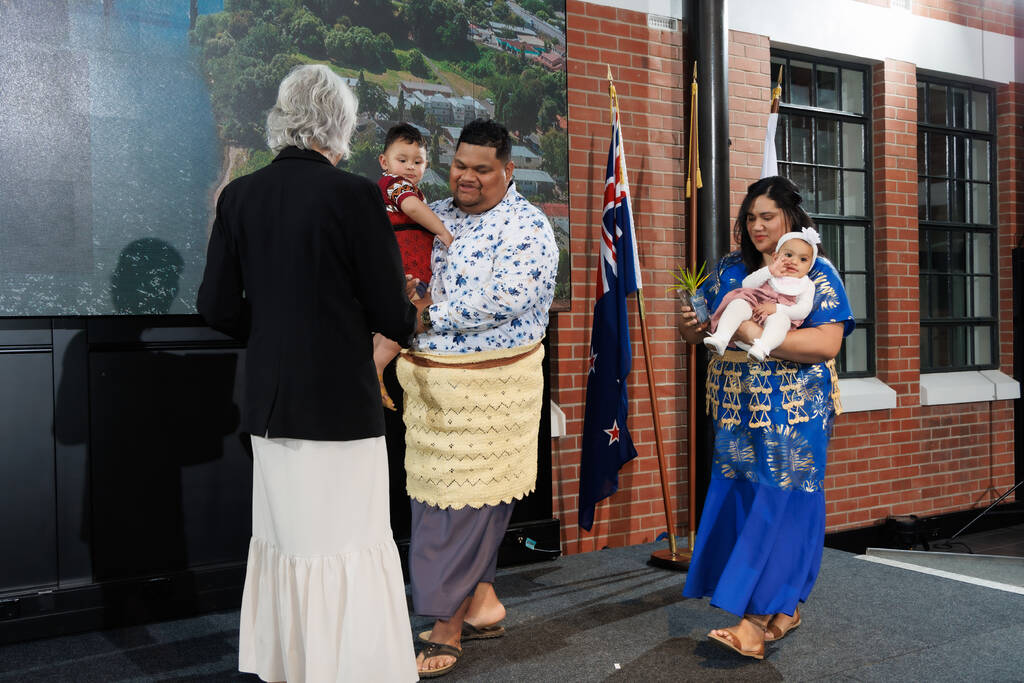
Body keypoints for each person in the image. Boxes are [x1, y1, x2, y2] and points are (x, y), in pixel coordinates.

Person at [196, 64, 420, 682]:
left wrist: (276, 332)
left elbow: (215, 306)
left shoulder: (239, 195)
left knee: (289, 545)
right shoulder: (355, 196)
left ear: (283, 118)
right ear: (339, 124)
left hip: (270, 407)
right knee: (347, 546)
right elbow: (390, 312)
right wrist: (406, 309)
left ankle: (293, 665)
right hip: (340, 405)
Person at [397, 118, 558, 678]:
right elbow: (408, 269)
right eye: (460, 165)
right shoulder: (434, 212)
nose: (466, 177)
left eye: (481, 169)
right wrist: (403, 297)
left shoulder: (528, 227)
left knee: (463, 510)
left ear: (508, 171)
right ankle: (483, 603)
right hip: (431, 389)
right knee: (440, 504)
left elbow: (507, 298)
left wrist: (426, 316)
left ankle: (445, 625)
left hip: (492, 390)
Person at [678, 176, 854, 660]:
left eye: (767, 217)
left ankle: (754, 623)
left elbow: (826, 343)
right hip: (736, 406)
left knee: (781, 502)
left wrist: (754, 333)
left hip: (793, 407)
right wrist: (691, 326)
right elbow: (701, 332)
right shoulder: (730, 268)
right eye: (751, 218)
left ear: (790, 219)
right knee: (742, 499)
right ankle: (782, 607)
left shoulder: (816, 270)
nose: (757, 226)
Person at [374, 122, 453, 411]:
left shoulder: (404, 188)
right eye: (402, 160)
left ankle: (372, 363)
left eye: (417, 162)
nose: (410, 167)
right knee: (405, 323)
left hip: (408, 270)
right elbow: (411, 207)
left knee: (395, 325)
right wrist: (443, 232)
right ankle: (375, 368)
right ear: (384, 162)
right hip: (406, 271)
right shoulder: (396, 185)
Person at [703, 227, 820, 361]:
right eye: (788, 255)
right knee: (738, 303)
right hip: (753, 310)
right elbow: (747, 284)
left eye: (803, 259)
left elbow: (803, 310)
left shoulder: (806, 285)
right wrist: (769, 271)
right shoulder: (771, 273)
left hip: (773, 323)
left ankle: (762, 347)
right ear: (776, 257)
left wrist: (776, 308)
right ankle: (722, 337)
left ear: (810, 265)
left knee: (781, 320)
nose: (794, 261)